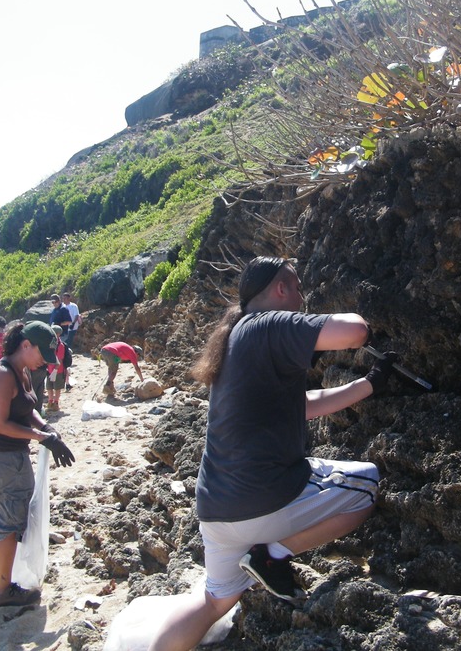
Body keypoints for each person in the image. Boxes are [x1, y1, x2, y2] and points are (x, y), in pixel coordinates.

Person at [148, 256, 395, 651]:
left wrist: (368, 384)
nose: (301, 298)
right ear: (281, 288)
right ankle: (272, 555)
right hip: (264, 498)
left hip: (215, 509)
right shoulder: (268, 324)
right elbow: (356, 331)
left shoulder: (232, 341)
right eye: (296, 289)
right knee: (366, 485)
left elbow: (302, 404)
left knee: (214, 601)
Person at [0, 320, 75, 609]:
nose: (43, 360)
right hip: (1, 458)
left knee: (3, 520)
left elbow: (28, 410)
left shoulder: (23, 372)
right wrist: (41, 437)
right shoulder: (2, 374)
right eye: (41, 354)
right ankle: (4, 592)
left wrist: (47, 428)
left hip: (10, 458)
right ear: (25, 345)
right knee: (9, 524)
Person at [45, 325, 67, 413]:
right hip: (49, 369)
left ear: (57, 334)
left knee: (57, 387)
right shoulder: (50, 343)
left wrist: (55, 369)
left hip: (58, 370)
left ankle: (56, 403)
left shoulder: (60, 345)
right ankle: (50, 402)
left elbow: (60, 359)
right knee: (49, 386)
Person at [61, 292, 80, 390]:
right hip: (65, 328)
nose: (64, 300)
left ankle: (67, 356)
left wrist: (73, 323)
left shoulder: (73, 306)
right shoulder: (63, 307)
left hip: (73, 327)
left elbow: (76, 315)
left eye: (65, 298)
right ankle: (66, 355)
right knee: (65, 342)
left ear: (69, 298)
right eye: (63, 298)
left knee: (68, 342)